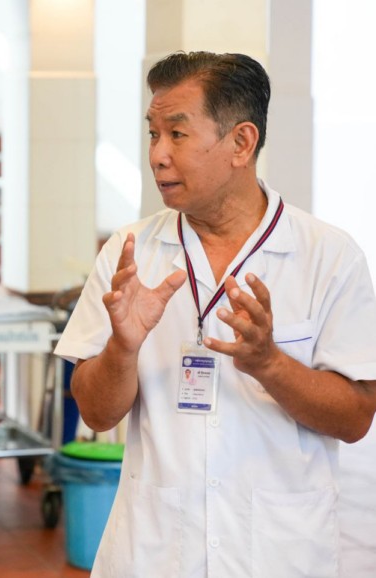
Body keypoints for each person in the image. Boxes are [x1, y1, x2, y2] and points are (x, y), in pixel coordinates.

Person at [54, 51, 376, 577]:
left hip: (278, 554)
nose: (157, 155)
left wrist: (270, 364)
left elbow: (357, 417)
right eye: (153, 134)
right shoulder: (130, 253)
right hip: (153, 553)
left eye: (177, 134)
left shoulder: (329, 256)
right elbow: (96, 413)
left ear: (241, 143)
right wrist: (122, 348)